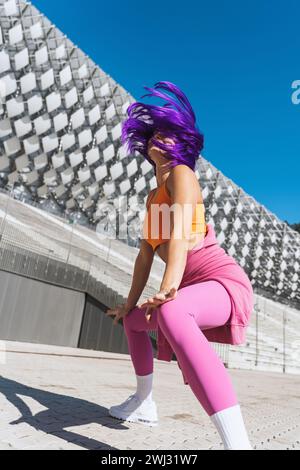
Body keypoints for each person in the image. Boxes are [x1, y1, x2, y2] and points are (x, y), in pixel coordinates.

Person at [106, 81, 254, 450]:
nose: (161, 139)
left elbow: (178, 236)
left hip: (220, 280)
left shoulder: (182, 175)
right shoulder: (153, 195)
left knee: (172, 311)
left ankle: (239, 445)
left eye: (171, 135)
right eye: (157, 133)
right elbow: (144, 255)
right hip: (185, 281)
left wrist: (169, 287)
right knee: (134, 321)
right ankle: (144, 401)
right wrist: (130, 302)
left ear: (184, 144)